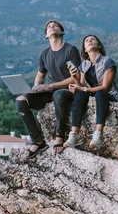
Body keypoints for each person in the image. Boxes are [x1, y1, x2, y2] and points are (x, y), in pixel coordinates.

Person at [15, 20, 81, 159]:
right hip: (49, 92)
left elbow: (76, 77)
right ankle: (38, 141)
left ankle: (59, 138)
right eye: (48, 27)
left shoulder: (70, 50)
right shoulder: (44, 54)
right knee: (20, 100)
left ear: (61, 32)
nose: (51, 27)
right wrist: (36, 87)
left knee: (58, 95)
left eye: (55, 25)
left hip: (67, 90)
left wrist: (50, 86)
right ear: (46, 35)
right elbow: (40, 75)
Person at [63, 34, 118, 150]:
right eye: (86, 41)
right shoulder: (84, 65)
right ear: (84, 49)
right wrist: (75, 78)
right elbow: (82, 86)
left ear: (98, 45)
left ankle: (98, 134)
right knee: (79, 94)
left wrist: (83, 89)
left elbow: (105, 87)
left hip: (108, 96)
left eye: (92, 39)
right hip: (92, 95)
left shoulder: (107, 61)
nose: (89, 41)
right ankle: (74, 134)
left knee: (99, 93)